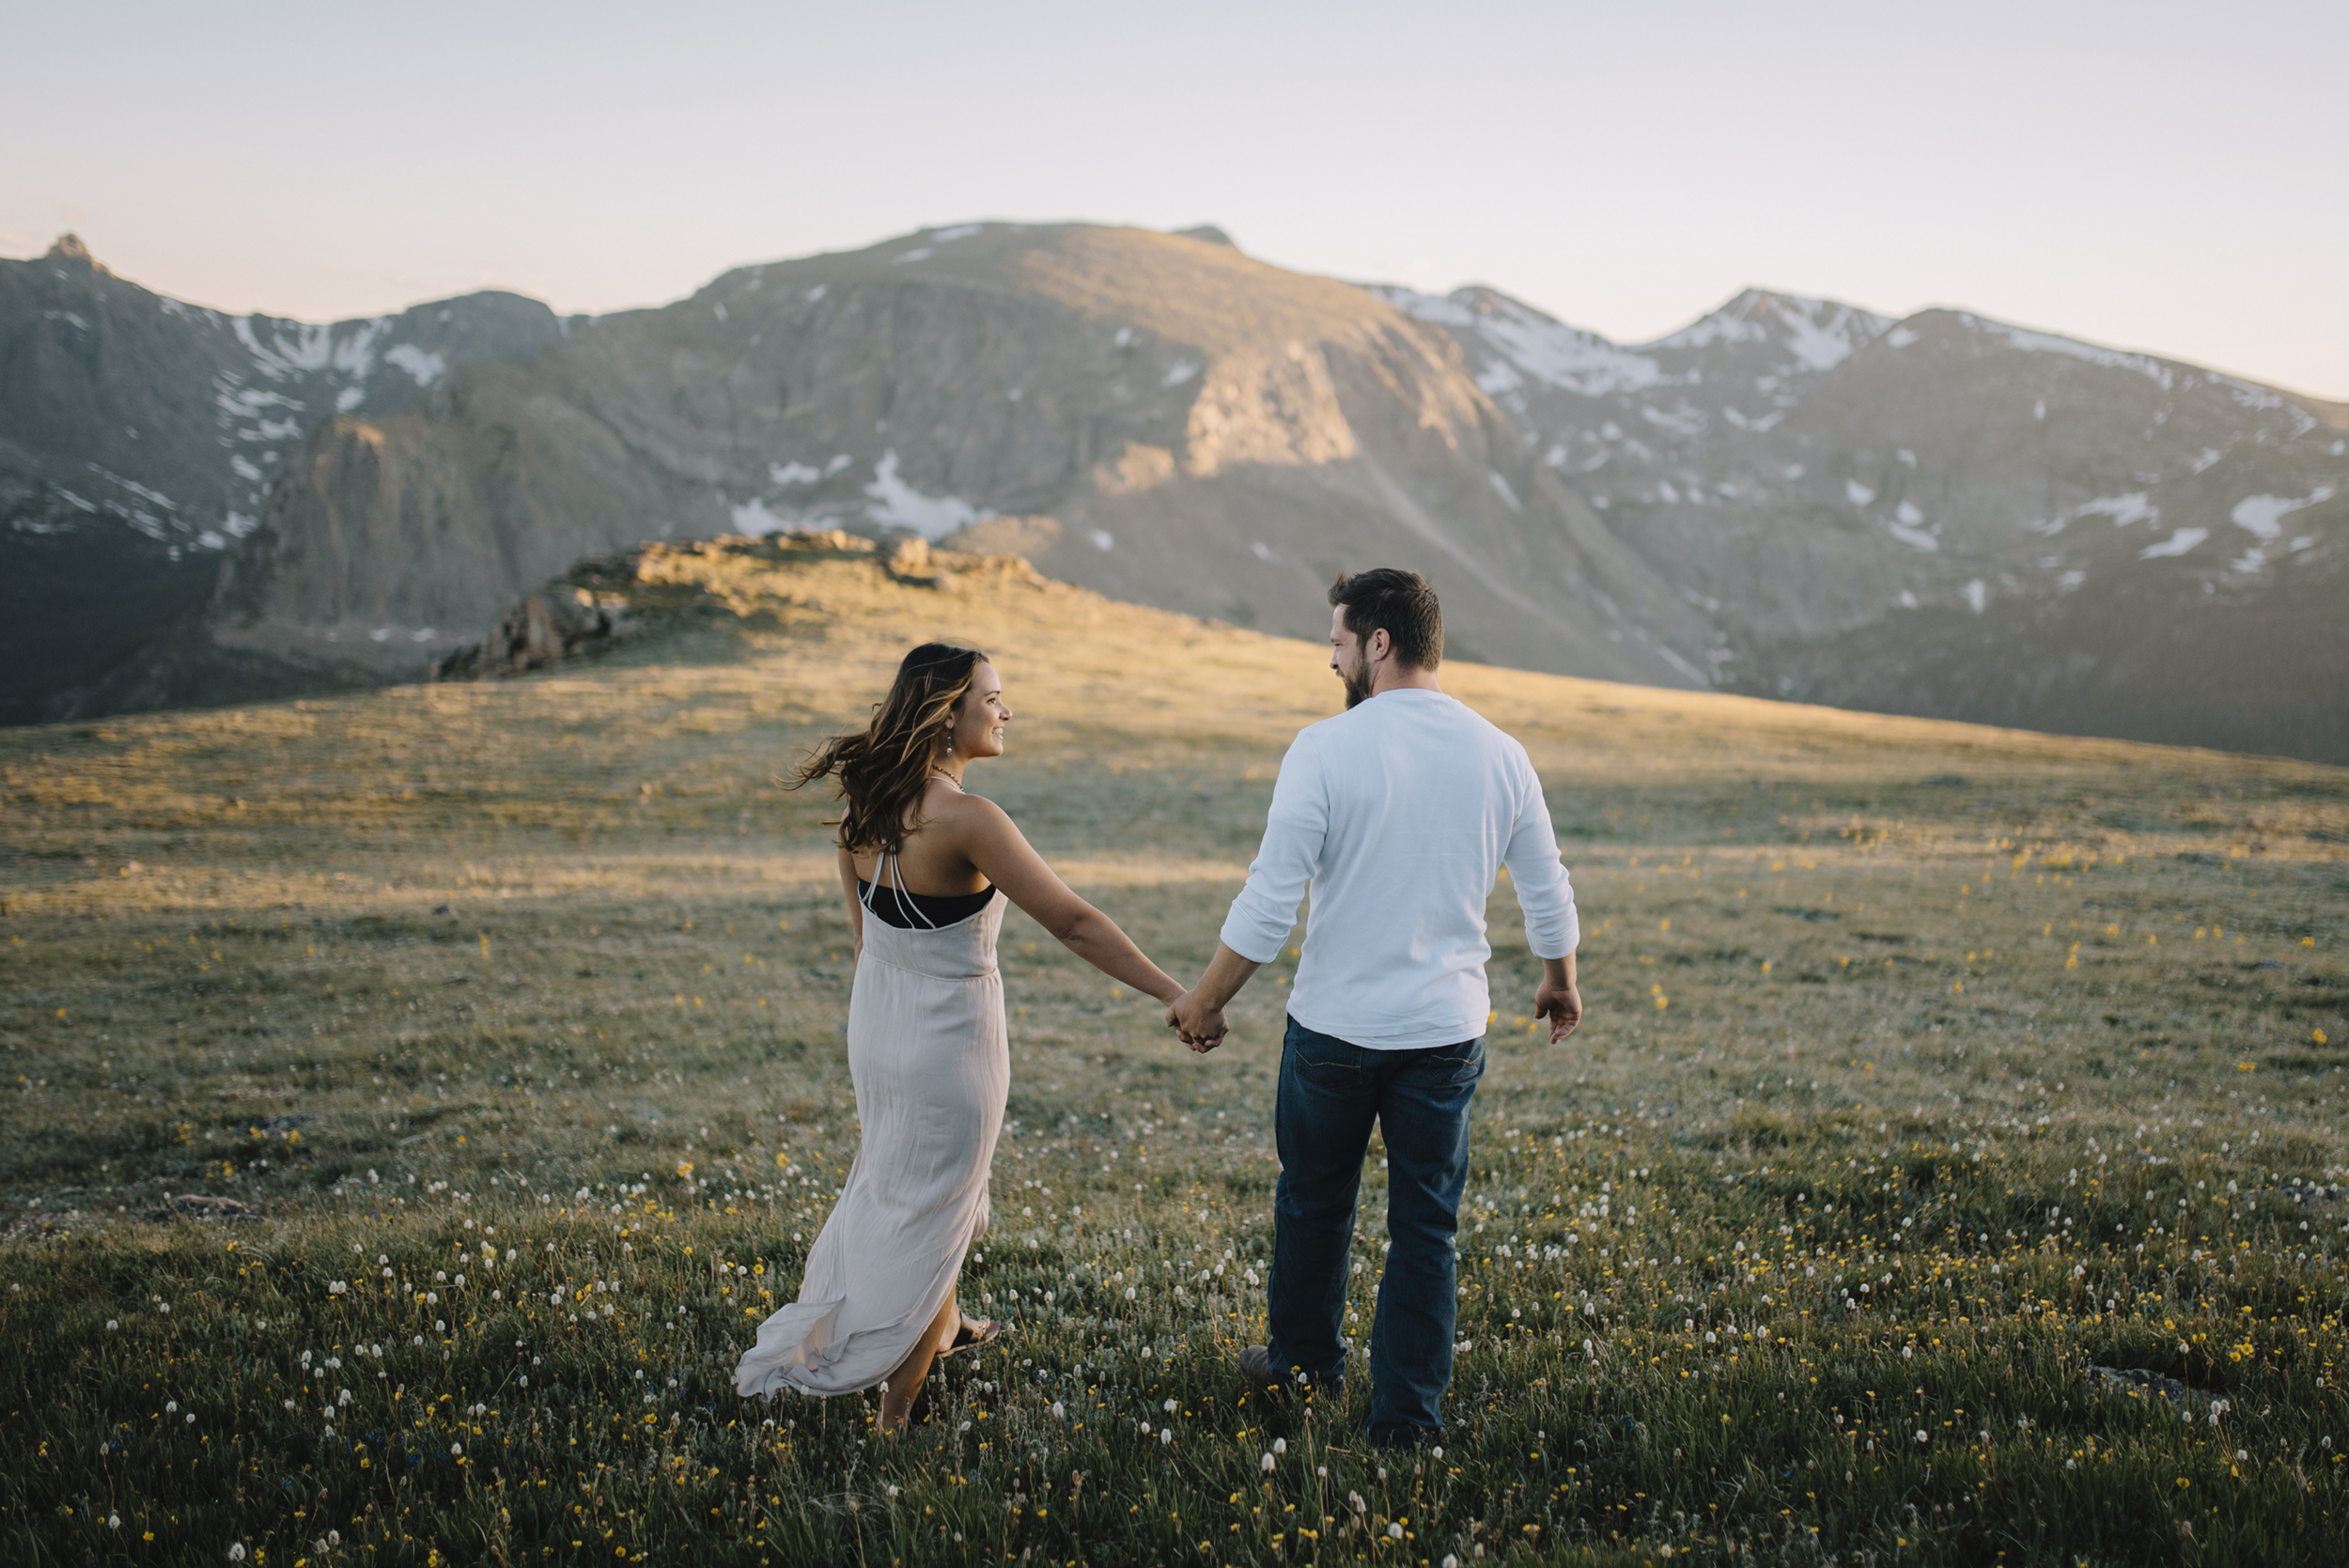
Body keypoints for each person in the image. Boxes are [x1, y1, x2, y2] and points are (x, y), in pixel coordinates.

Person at [1167, 568, 1584, 1450]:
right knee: (1426, 1226)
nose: (1331, 658)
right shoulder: (1501, 751)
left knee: (1313, 1201)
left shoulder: (1324, 748)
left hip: (1334, 1031)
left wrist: (1206, 1001)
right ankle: (1406, 1421)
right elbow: (1547, 889)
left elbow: (1270, 902)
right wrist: (1560, 977)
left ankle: (1304, 1362)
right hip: (1444, 1035)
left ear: (1379, 644)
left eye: (1338, 641)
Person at [735, 643, 1188, 1434]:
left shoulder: (863, 812)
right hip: (953, 1044)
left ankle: (946, 1321)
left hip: (878, 1030)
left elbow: (865, 944)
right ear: (951, 713)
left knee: (905, 1191)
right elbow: (1075, 922)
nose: (1006, 710)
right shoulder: (971, 820)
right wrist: (1179, 994)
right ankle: (895, 1414)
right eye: (994, 697)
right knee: (939, 1212)